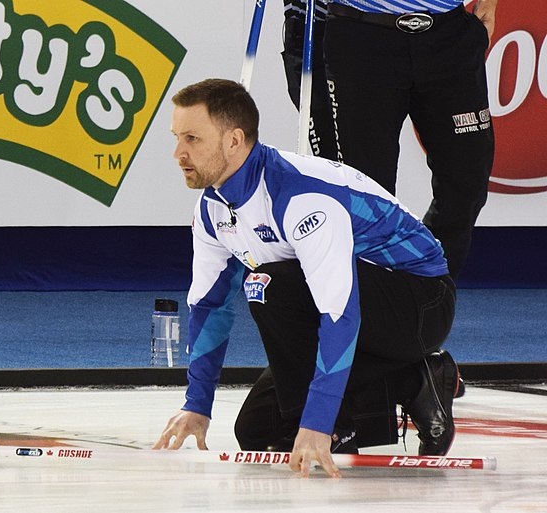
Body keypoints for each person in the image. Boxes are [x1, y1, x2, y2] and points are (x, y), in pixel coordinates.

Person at [153, 78, 458, 478]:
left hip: (420, 303)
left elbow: (339, 313)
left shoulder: (301, 196)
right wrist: (197, 404)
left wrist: (318, 424)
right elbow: (210, 307)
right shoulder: (212, 209)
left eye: (192, 138)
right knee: (256, 430)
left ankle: (338, 427)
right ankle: (414, 379)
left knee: (268, 284)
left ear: (234, 141)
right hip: (356, 308)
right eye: (177, 137)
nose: (178, 152)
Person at [281, 0, 497, 280]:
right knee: (365, 194)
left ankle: (426, 288)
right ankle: (374, 302)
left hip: (448, 29)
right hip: (361, 33)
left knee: (468, 179)